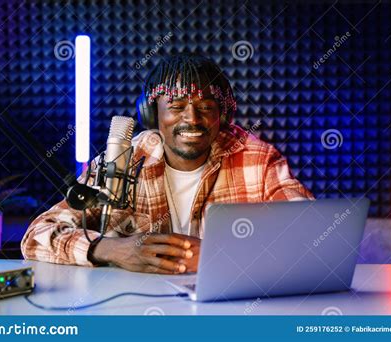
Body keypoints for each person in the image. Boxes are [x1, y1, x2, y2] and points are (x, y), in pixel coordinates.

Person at [21, 53, 314, 274]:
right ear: (152, 115)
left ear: (222, 117)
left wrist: (221, 254)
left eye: (206, 108)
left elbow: (310, 234)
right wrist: (110, 249)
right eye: (176, 107)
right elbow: (36, 236)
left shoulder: (257, 159)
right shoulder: (125, 159)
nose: (192, 119)